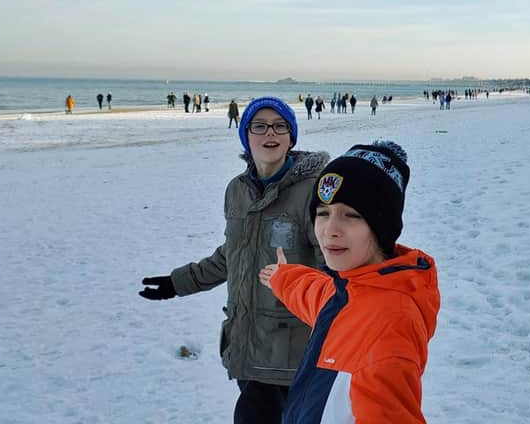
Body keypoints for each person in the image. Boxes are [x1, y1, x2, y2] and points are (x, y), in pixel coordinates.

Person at [139, 97, 330, 424]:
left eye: (280, 125)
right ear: (246, 136)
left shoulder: (312, 193)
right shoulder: (237, 190)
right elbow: (233, 255)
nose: (270, 132)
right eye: (259, 125)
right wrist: (177, 283)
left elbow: (333, 270)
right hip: (246, 344)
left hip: (291, 353)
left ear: (291, 136)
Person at [259, 141, 440, 424]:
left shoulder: (391, 323)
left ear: (381, 227)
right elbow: (313, 293)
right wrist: (284, 278)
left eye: (352, 216)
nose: (330, 230)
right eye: (322, 214)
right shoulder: (345, 290)